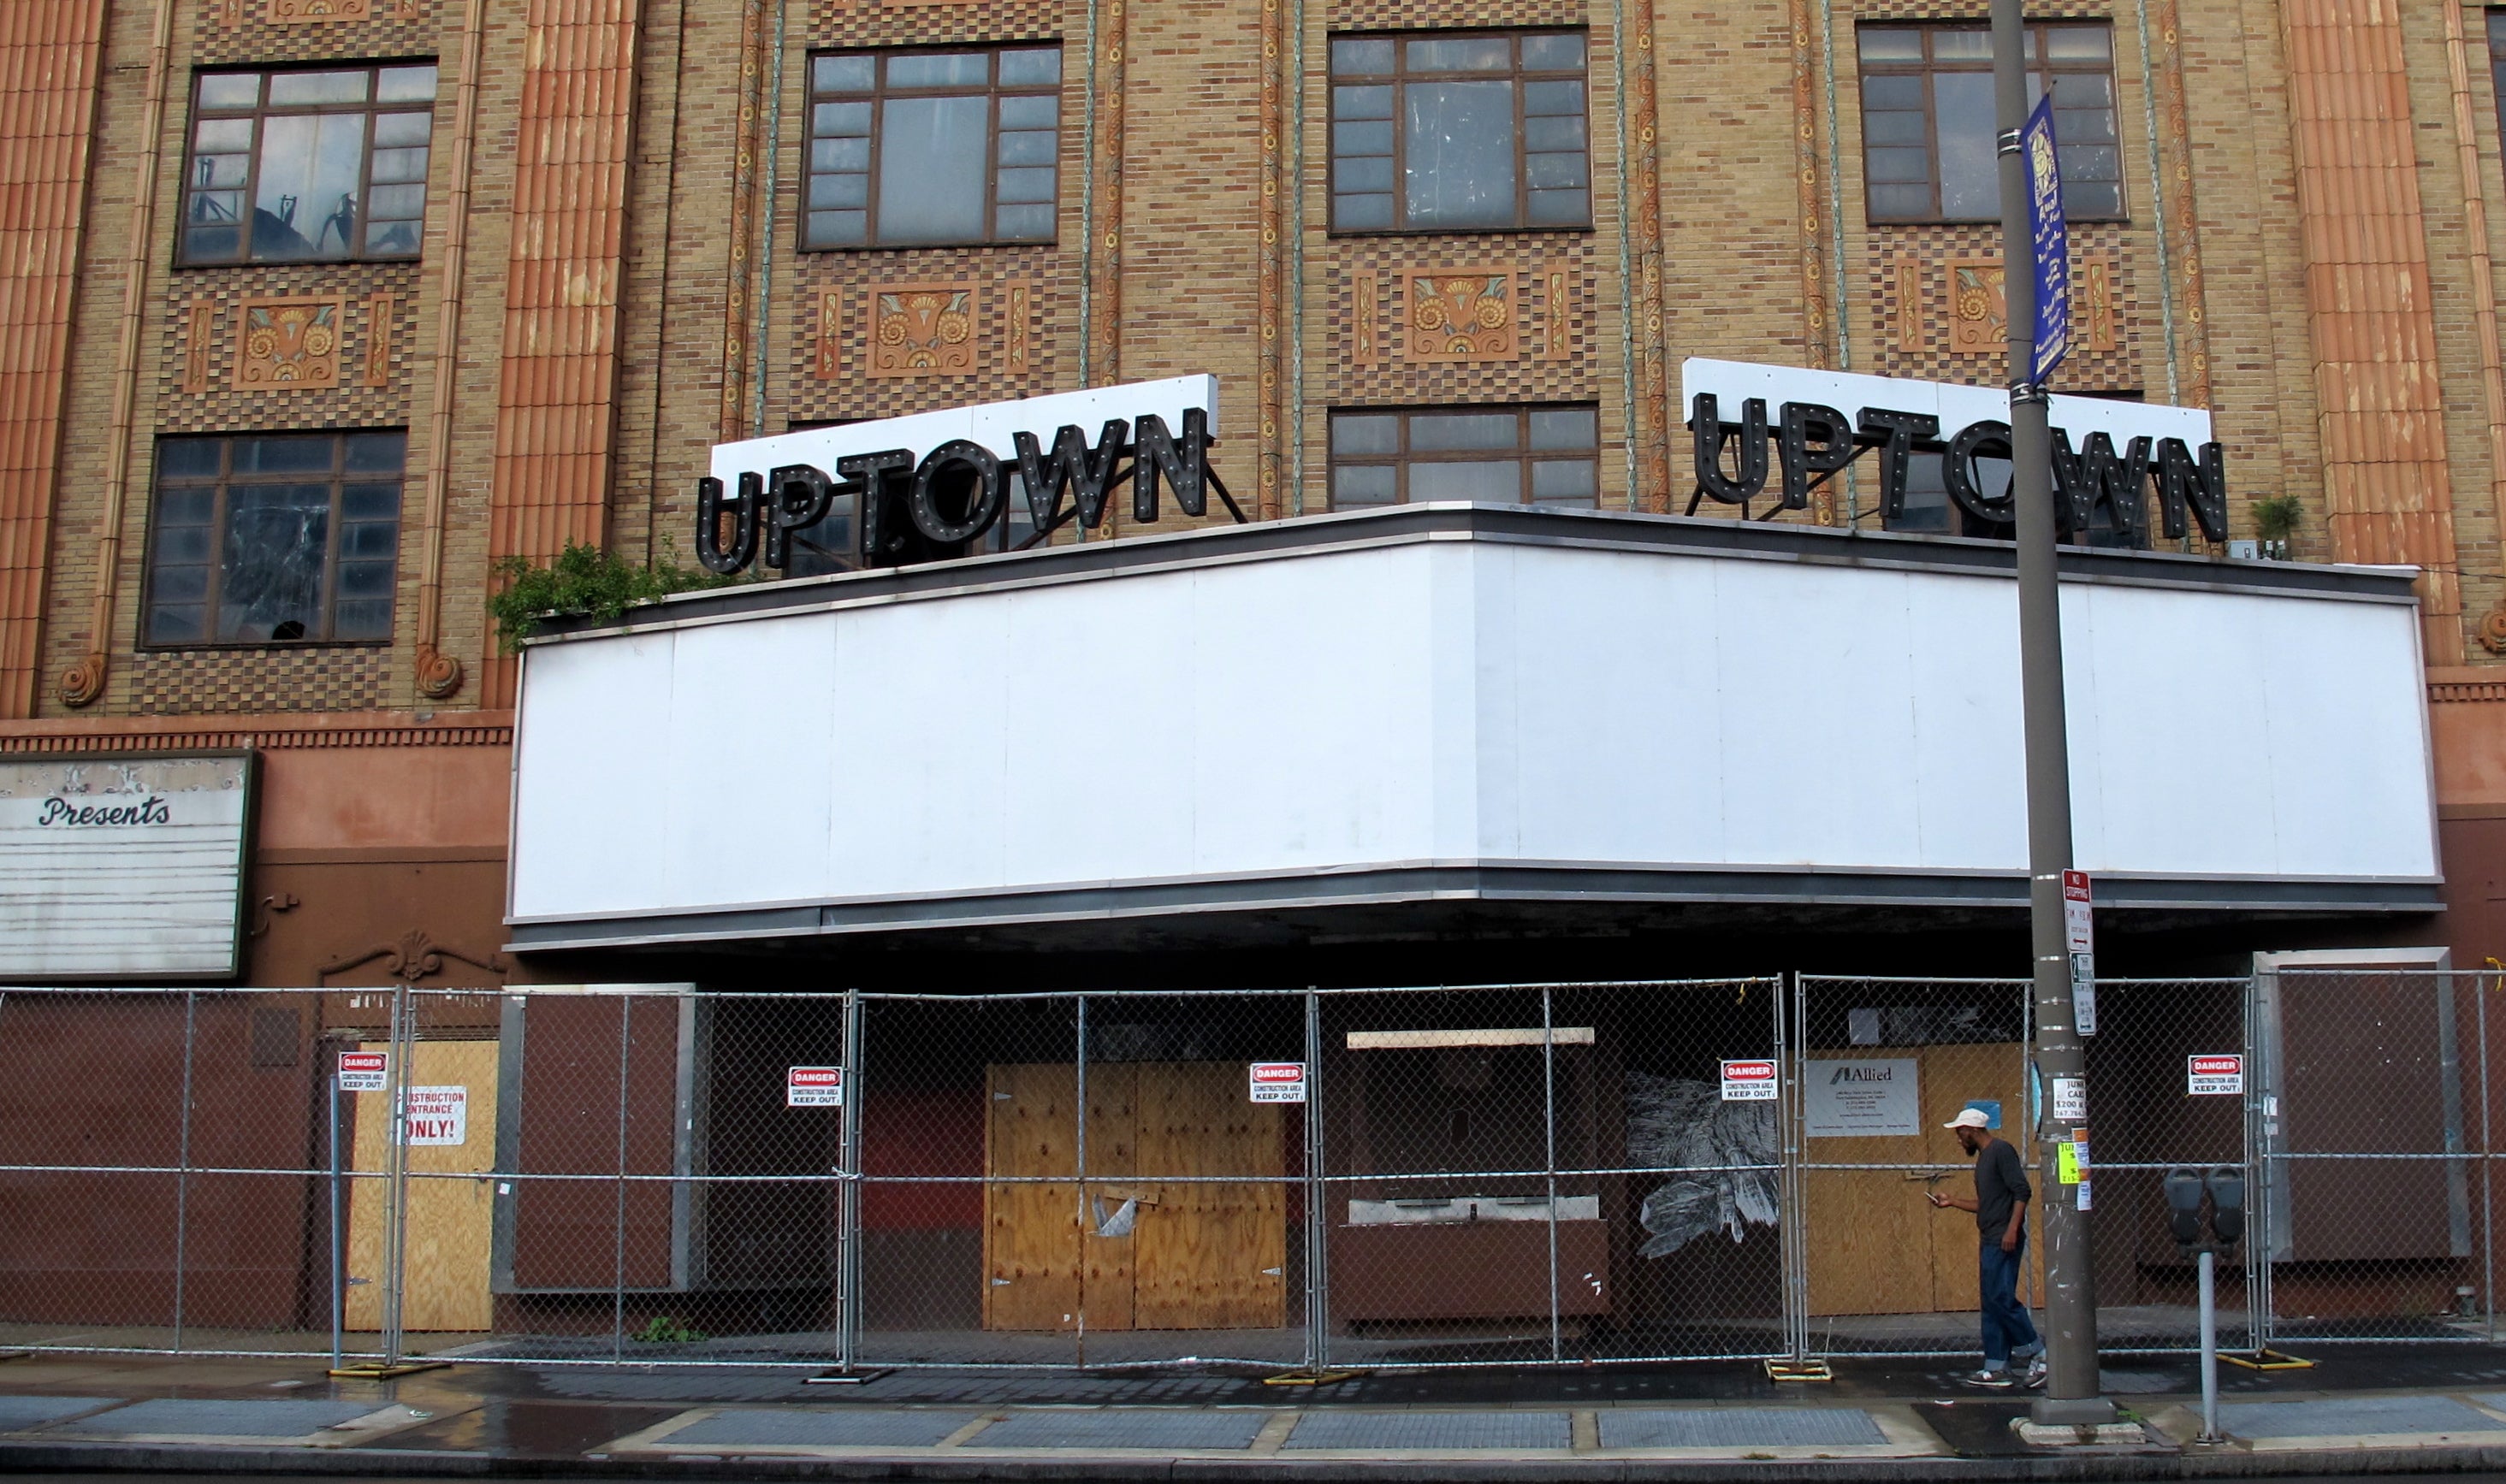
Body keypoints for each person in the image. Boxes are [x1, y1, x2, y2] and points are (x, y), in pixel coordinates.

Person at [1926, 1106, 2045, 1388]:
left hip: (2003, 1238)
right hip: (1991, 1235)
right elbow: (1987, 1205)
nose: (1958, 1139)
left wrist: (2012, 1230)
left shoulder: (2001, 1151)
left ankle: (2038, 1353)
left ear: (1972, 1130)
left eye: (1960, 1133)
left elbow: (2022, 1191)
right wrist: (1952, 1201)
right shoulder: (1983, 1159)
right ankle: (1996, 1366)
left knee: (2001, 1298)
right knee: (1991, 1302)